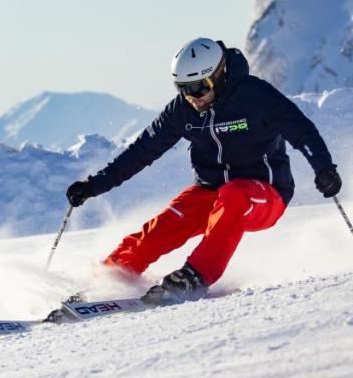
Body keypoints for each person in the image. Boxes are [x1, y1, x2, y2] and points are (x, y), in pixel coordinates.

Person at [65, 37, 341, 304]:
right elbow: (142, 151)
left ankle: (196, 276)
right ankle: (107, 281)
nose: (192, 97)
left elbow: (301, 131)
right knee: (162, 227)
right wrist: (94, 185)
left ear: (219, 76)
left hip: (265, 195)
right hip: (210, 191)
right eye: (183, 88)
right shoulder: (183, 109)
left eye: (198, 88)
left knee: (234, 195)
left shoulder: (255, 96)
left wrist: (324, 169)